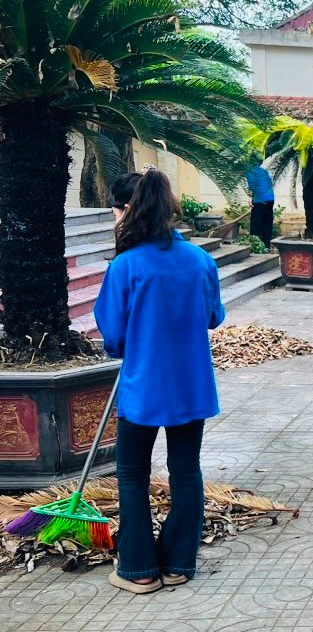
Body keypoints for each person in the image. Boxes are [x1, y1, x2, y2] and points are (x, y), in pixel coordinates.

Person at [95, 168, 225, 594]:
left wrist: (131, 343)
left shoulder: (126, 266)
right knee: (185, 471)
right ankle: (179, 565)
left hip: (143, 388)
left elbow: (112, 336)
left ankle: (138, 569)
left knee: (132, 474)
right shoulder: (201, 260)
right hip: (191, 387)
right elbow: (213, 317)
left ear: (125, 211)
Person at [245, 158, 275, 249]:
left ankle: (255, 246)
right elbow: (269, 182)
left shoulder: (250, 170)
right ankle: (266, 245)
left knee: (256, 225)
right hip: (270, 199)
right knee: (267, 223)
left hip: (260, 200)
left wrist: (250, 197)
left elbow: (252, 184)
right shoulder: (263, 170)